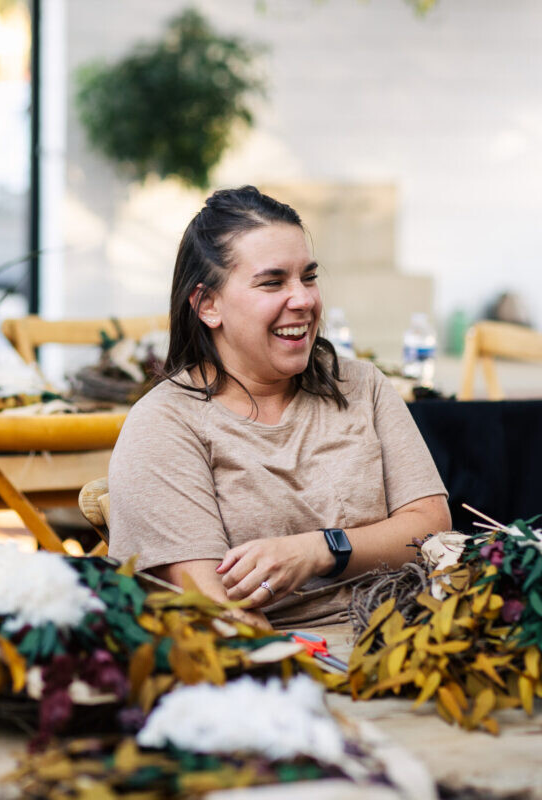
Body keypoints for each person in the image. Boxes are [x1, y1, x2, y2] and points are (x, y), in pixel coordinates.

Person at [108, 186, 451, 628]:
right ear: (207, 305)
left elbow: (431, 526)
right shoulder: (165, 424)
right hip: (280, 661)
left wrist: (320, 549)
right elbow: (218, 615)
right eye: (273, 282)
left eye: (308, 277)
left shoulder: (363, 386)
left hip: (417, 634)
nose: (305, 300)